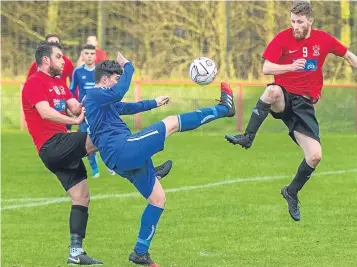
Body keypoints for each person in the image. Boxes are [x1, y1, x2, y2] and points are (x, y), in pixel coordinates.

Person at [225, 1, 357, 221]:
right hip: (284, 97)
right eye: (293, 21)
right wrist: (290, 67)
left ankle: (291, 191)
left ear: (310, 20)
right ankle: (248, 137)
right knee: (272, 91)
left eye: (300, 22)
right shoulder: (283, 38)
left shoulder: (323, 40)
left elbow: (349, 55)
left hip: (304, 106)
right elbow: (266, 68)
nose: (295, 26)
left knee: (315, 155)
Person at [83, 53, 235, 266]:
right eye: (116, 78)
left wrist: (154, 102)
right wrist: (129, 67)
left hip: (120, 158)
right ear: (105, 79)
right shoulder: (94, 95)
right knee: (172, 123)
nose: (119, 82)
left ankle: (140, 252)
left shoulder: (103, 102)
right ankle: (224, 109)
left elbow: (128, 107)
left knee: (158, 199)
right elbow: (119, 92)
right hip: (123, 150)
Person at [22, 41, 103, 265]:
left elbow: (75, 106)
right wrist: (73, 121)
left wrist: (95, 96)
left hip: (61, 147)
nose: (63, 61)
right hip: (52, 144)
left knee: (82, 197)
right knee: (103, 138)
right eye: (59, 57)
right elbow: (45, 112)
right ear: (46, 60)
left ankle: (75, 253)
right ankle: (140, 169)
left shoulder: (58, 83)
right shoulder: (34, 83)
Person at [70, 44, 102, 178]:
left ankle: (109, 163)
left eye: (92, 53)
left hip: (99, 112)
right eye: (86, 53)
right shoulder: (77, 72)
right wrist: (72, 107)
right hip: (84, 113)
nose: (89, 56)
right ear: (82, 55)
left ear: (95, 55)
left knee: (102, 138)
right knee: (87, 141)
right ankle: (94, 168)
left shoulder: (100, 72)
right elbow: (71, 90)